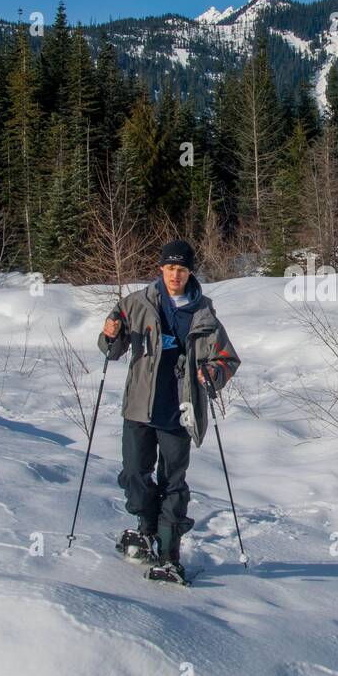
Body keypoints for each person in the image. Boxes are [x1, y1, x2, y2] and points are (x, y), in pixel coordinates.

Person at [98, 239, 240, 578]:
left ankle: (169, 553)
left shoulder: (203, 314)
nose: (175, 275)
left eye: (182, 269)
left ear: (191, 272)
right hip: (139, 408)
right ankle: (145, 526)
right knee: (133, 473)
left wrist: (213, 373)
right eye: (170, 268)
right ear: (160, 268)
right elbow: (111, 349)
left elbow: (227, 359)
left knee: (173, 482)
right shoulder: (135, 304)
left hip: (181, 410)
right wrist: (110, 334)